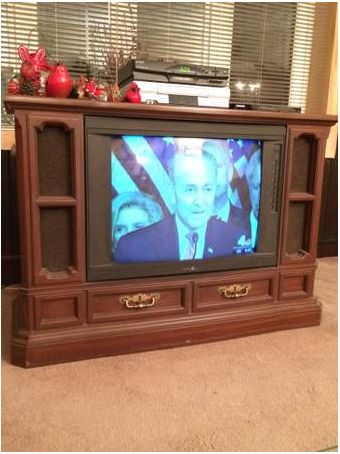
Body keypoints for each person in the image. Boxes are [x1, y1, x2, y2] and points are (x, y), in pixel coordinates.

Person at [114, 151, 245, 263]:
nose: (200, 201)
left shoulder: (238, 239)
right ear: (172, 190)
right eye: (190, 189)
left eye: (207, 189)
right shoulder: (132, 245)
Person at [202, 139, 251, 235]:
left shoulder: (250, 224)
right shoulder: (180, 223)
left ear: (229, 172)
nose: (212, 174)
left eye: (217, 166)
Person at [245, 149, 261, 248]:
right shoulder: (232, 226)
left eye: (266, 188)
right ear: (249, 186)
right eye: (256, 187)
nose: (260, 197)